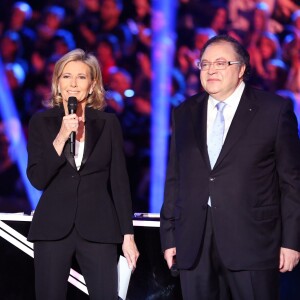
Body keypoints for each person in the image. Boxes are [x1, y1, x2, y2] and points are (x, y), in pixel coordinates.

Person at [160, 35, 300, 300]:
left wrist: (291, 241)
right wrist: (169, 237)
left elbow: (292, 182)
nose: (211, 69)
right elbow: (175, 179)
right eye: (204, 64)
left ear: (242, 69)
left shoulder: (274, 110)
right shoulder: (184, 112)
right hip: (194, 243)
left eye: (221, 63)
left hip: (253, 243)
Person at [26, 48, 139, 300]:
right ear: (57, 83)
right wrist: (61, 136)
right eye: (66, 76)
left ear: (92, 85)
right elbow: (37, 178)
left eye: (81, 77)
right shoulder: (41, 122)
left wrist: (127, 235)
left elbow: (119, 182)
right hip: (52, 227)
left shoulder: (108, 124)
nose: (73, 84)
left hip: (99, 227)